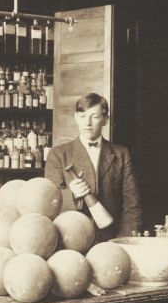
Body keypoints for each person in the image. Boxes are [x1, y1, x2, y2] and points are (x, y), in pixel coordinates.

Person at [45, 92, 142, 241]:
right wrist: (73, 195)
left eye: (95, 117)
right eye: (82, 117)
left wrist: (123, 241)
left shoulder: (122, 154)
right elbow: (50, 204)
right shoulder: (58, 154)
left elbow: (132, 206)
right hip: (71, 240)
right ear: (76, 118)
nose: (87, 123)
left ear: (105, 120)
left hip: (112, 239)